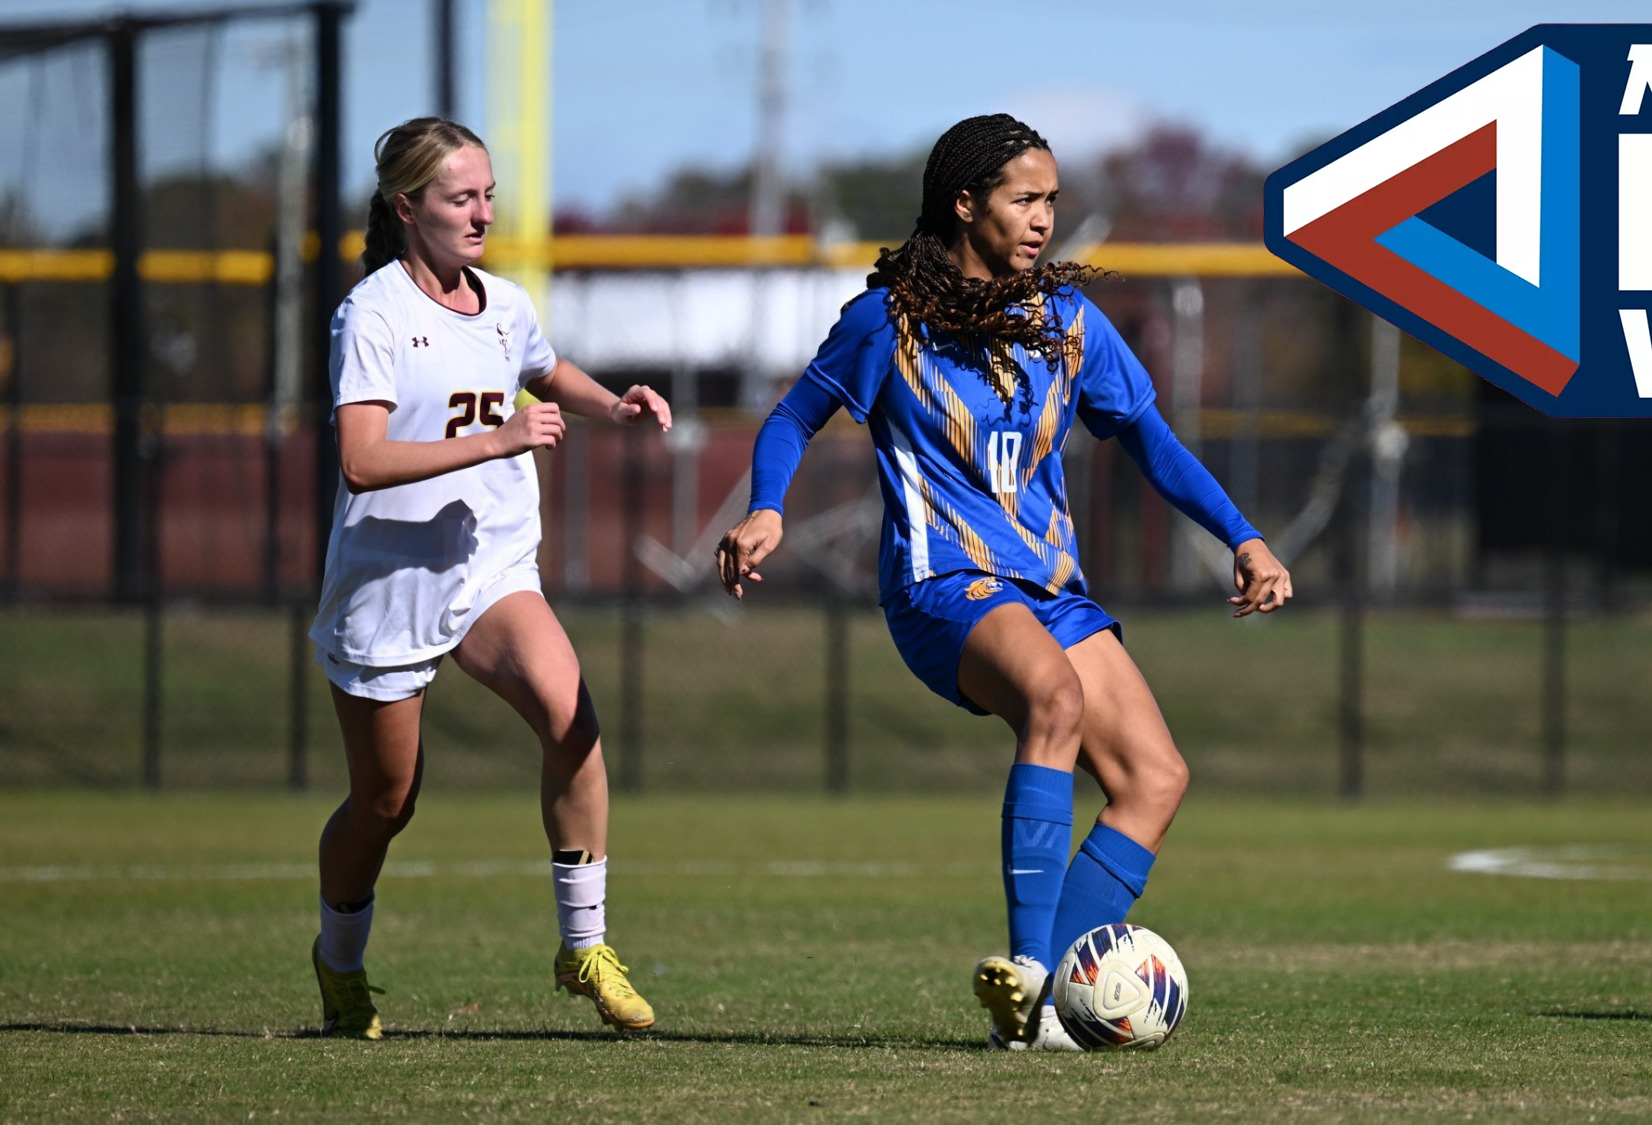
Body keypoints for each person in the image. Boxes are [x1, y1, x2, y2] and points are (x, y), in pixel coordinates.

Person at [713, 113, 1293, 1050]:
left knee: (1155, 778)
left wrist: (1244, 535)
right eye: (1025, 199)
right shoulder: (886, 321)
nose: (1043, 219)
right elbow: (792, 416)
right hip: (944, 583)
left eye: (1052, 200)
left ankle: (1046, 1006)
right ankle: (1030, 978)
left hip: (1051, 589)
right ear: (964, 202)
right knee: (1053, 698)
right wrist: (767, 507)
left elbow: (1150, 438)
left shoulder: (1068, 321)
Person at [309, 117, 671, 1038]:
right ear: (407, 208)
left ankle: (584, 946)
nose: (483, 213)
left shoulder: (505, 304)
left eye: (488, 195)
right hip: (390, 580)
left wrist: (615, 404)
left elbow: (546, 370)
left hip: (490, 563)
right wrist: (498, 437)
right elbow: (360, 459)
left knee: (572, 718)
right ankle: (339, 959)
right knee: (387, 801)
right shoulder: (374, 312)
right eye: (461, 197)